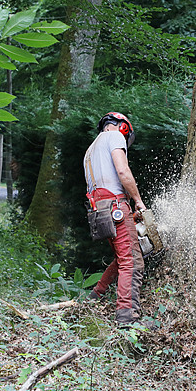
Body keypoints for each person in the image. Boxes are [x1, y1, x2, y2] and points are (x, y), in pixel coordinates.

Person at [83, 112, 147, 327]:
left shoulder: (90, 151)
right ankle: (127, 320)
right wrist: (138, 201)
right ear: (123, 127)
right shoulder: (115, 137)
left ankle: (94, 298)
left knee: (122, 258)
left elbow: (102, 184)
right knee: (133, 261)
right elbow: (122, 171)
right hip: (114, 206)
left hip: (98, 208)